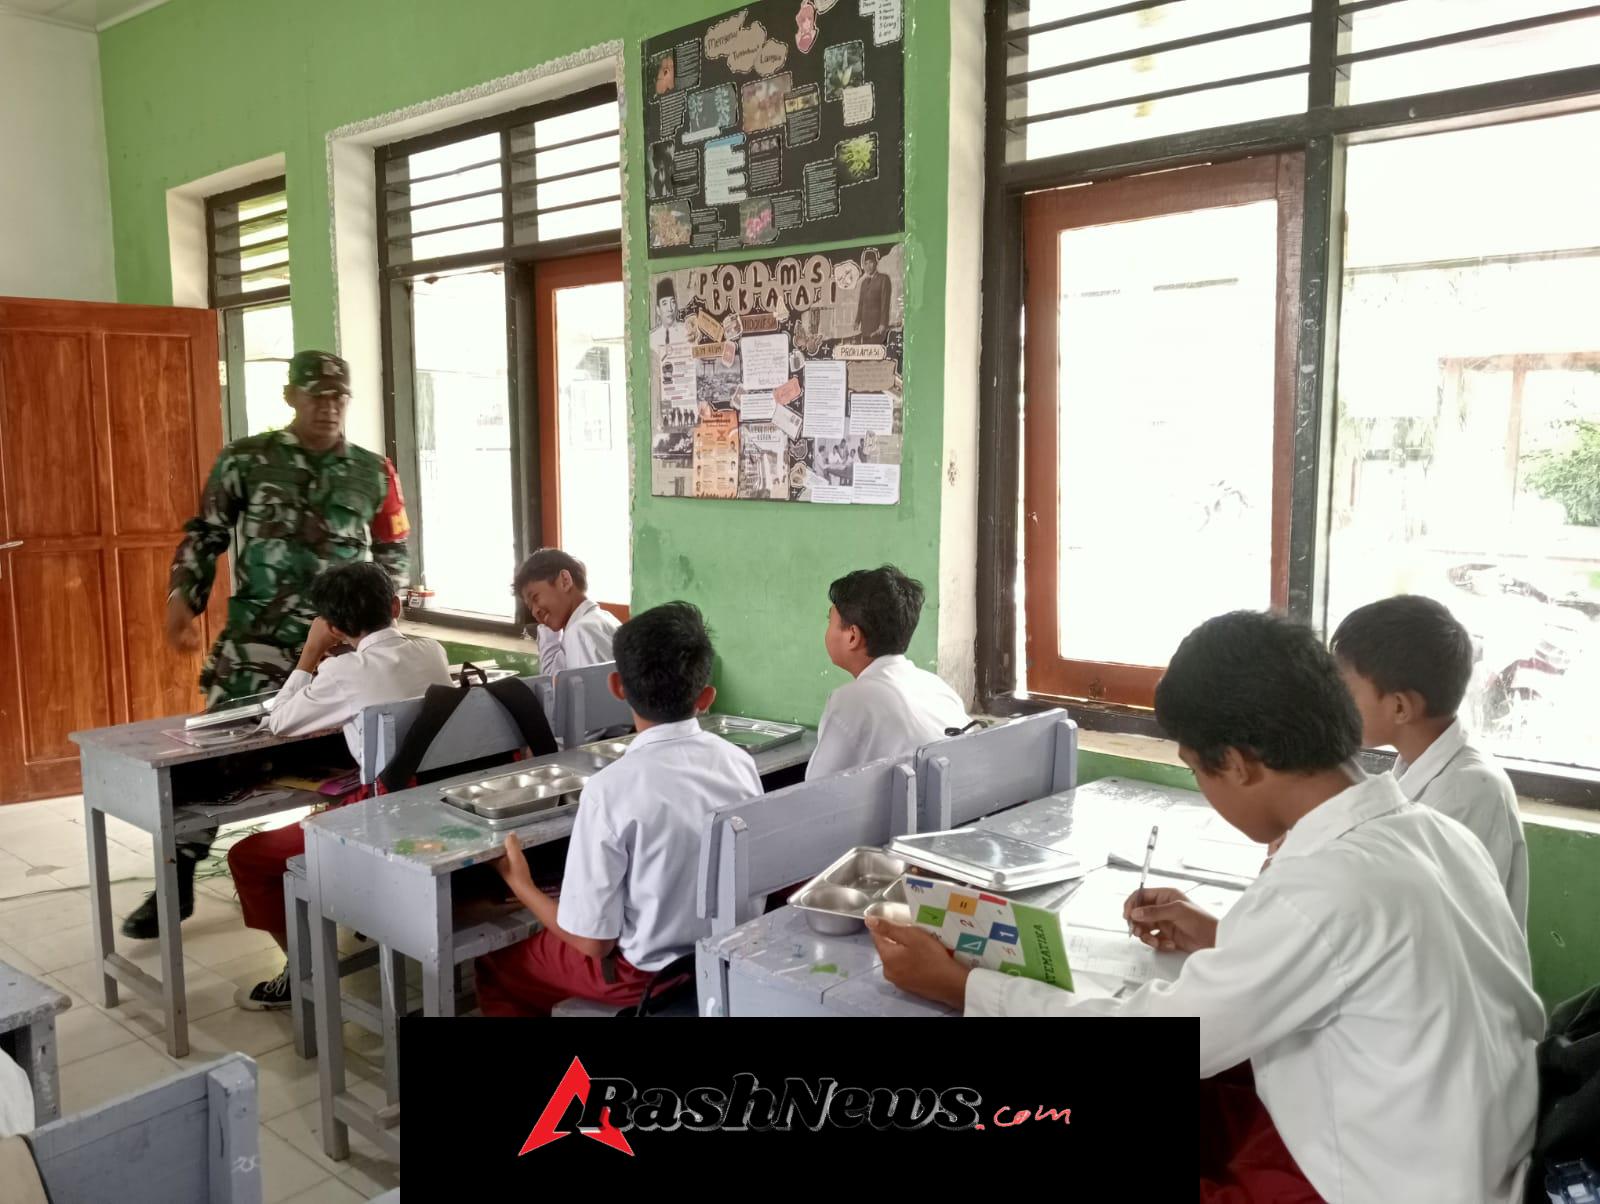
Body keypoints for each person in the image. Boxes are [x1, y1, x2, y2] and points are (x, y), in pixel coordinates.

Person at [868, 611, 1543, 1203]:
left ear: (1240, 763)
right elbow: (1363, 971)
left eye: (1198, 769)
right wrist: (1223, 936)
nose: (1204, 787)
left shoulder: (1323, 889)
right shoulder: (1436, 834)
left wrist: (963, 987)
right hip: (1449, 1157)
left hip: (1373, 1185)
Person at [130, 351, 411, 940]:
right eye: (316, 395)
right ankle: (177, 879)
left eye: (338, 396)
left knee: (356, 762)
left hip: (342, 650)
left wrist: (386, 622)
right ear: (291, 397)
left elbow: (393, 550)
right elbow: (205, 534)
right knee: (210, 761)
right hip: (256, 647)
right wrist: (183, 598)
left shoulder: (373, 471)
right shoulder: (246, 460)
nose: (328, 406)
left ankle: (365, 882)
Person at [475, 602, 762, 1015]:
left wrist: (521, 885)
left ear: (616, 687)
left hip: (645, 977)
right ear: (706, 697)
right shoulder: (739, 762)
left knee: (497, 964)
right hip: (722, 957)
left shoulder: (609, 789)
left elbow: (593, 943)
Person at [227, 562, 450, 1009]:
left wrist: (310, 655)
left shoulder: (343, 671)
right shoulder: (433, 650)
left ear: (333, 626)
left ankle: (301, 971)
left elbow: (279, 722)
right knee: (328, 807)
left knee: (247, 856)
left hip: (384, 824)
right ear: (395, 606)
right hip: (437, 804)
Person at [1331, 594, 1529, 931]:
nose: (1337, 703)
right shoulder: (1414, 765)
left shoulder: (1469, 791)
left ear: (1400, 707)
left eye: (1346, 691)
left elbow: (1414, 917)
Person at [806, 566, 970, 780]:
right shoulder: (936, 686)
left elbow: (816, 789)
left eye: (830, 621)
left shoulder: (851, 701)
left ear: (852, 636)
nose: (827, 630)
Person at [513, 548, 619, 677]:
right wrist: (547, 623)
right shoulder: (601, 619)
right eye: (530, 608)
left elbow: (591, 690)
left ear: (565, 580)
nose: (535, 612)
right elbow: (552, 676)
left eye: (535, 597)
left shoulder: (580, 631)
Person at [853, 248, 892, 343]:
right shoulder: (864, 282)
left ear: (876, 263)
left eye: (870, 262)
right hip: (865, 327)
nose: (868, 266)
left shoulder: (883, 279)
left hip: (877, 327)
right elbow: (861, 304)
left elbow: (885, 303)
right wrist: (857, 321)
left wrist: (883, 324)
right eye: (865, 263)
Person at [649, 278, 688, 348]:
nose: (670, 309)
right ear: (658, 310)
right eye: (664, 303)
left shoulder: (686, 333)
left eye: (672, 302)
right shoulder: (652, 338)